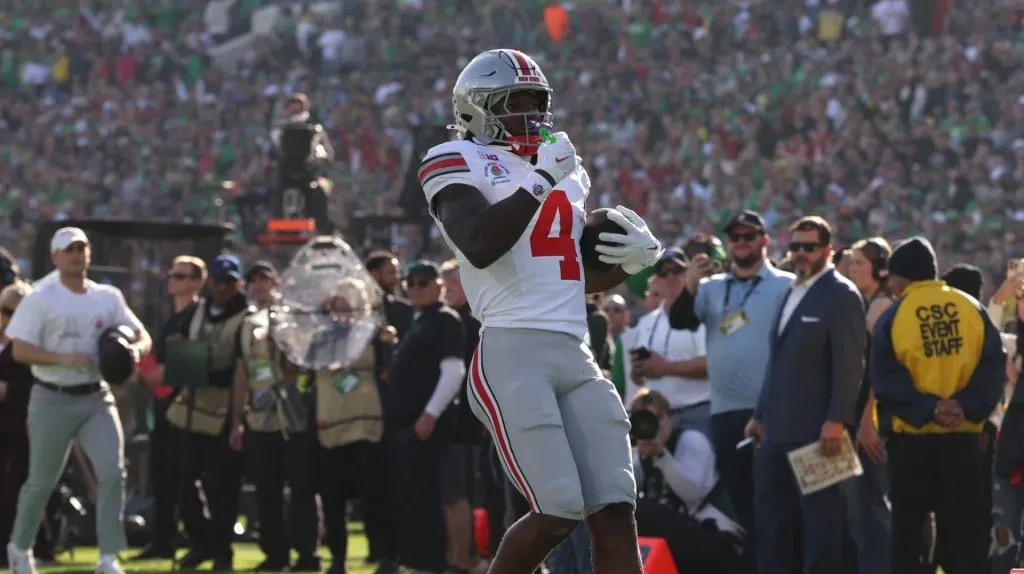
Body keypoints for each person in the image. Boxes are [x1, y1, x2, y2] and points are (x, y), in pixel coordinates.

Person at [421, 48, 662, 574]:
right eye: (515, 104)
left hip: (576, 351)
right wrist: (539, 181)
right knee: (557, 508)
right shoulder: (453, 158)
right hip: (512, 350)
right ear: (476, 108)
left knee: (617, 505)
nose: (531, 118)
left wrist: (633, 264)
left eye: (537, 105)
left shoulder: (564, 172)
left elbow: (570, 277)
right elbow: (479, 242)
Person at [5, 227, 151, 574]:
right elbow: (20, 350)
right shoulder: (40, 296)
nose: (76, 254)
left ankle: (107, 557)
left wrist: (132, 350)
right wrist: (63, 358)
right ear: (55, 257)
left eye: (81, 248)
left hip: (96, 397)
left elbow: (142, 335)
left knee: (113, 473)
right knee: (41, 481)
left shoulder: (108, 297)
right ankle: (20, 547)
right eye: (69, 249)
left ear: (89, 254)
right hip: (51, 397)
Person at [871, 237, 1005, 574]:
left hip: (911, 443)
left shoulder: (894, 315)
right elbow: (993, 365)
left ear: (902, 277)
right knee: (964, 533)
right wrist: (964, 406)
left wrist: (930, 408)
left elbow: (886, 379)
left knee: (909, 535)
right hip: (963, 440)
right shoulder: (971, 308)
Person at [668, 210, 795, 552]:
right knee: (743, 505)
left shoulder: (785, 284)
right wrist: (690, 284)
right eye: (735, 237)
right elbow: (680, 322)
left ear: (764, 241)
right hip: (725, 412)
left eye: (748, 236)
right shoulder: (711, 288)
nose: (741, 243)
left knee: (778, 505)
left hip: (772, 411)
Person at [745, 216, 866, 574]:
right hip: (776, 432)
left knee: (822, 528)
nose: (801, 254)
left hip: (819, 434)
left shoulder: (842, 294)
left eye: (810, 247)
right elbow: (777, 361)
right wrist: (758, 414)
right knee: (773, 525)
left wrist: (837, 420)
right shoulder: (790, 292)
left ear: (828, 250)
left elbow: (850, 365)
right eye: (795, 246)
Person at [131, 256, 208, 561]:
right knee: (162, 479)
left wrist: (155, 375)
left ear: (195, 281)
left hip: (187, 409)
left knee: (185, 480)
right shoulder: (168, 320)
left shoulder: (197, 316)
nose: (172, 280)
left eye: (180, 275)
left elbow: (190, 366)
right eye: (172, 274)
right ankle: (162, 542)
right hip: (163, 408)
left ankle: (203, 540)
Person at [842, 237, 894, 574]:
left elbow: (882, 370)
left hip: (870, 421)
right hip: (857, 417)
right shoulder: (864, 301)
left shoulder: (880, 306)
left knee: (872, 504)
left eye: (860, 262)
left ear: (878, 268)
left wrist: (866, 420)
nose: (853, 268)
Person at [0, 282, 57, 568]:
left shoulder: (39, 348)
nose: (13, 319)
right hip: (7, 428)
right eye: (8, 312)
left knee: (29, 487)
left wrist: (9, 390)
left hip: (32, 425)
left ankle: (36, 545)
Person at [629, 248, 709, 431]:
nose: (671, 277)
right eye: (664, 272)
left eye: (677, 271)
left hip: (695, 412)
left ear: (689, 274)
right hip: (656, 416)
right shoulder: (646, 322)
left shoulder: (701, 313)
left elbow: (709, 365)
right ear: (656, 280)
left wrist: (663, 368)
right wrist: (638, 371)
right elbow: (640, 379)